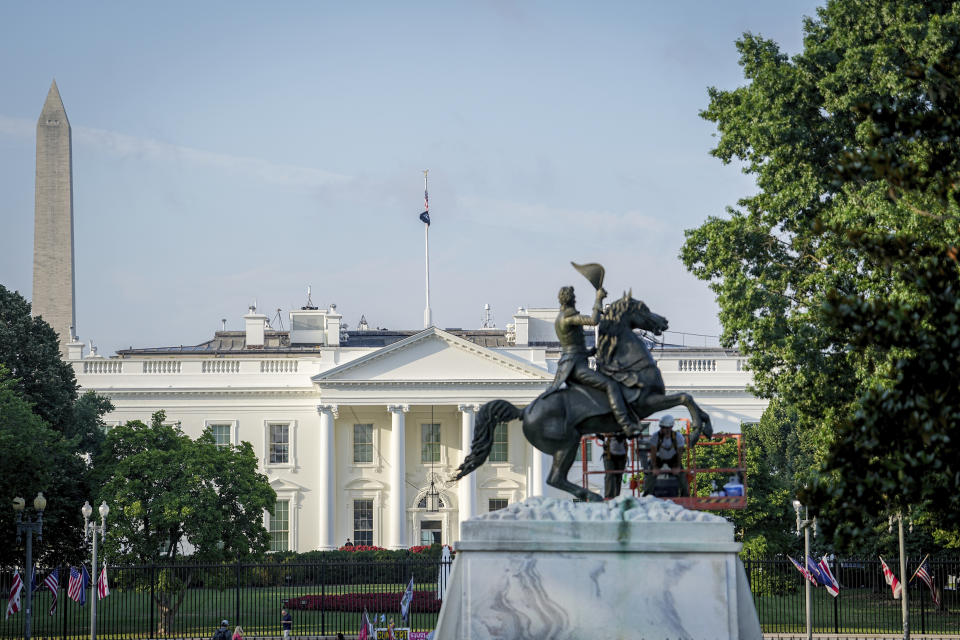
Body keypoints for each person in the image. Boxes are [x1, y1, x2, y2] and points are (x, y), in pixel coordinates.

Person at [546, 285, 640, 437]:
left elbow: (572, 346)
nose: (576, 299)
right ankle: (626, 424)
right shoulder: (567, 318)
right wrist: (598, 298)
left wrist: (591, 351)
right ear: (570, 299)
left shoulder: (562, 317)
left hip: (574, 360)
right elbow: (593, 321)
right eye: (573, 297)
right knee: (611, 385)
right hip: (575, 366)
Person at [643, 415, 689, 497]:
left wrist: (677, 466)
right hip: (659, 458)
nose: (665, 430)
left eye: (668, 428)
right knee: (650, 474)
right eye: (663, 428)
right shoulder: (655, 437)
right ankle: (646, 495)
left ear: (671, 427)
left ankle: (685, 496)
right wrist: (655, 467)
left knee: (682, 475)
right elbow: (653, 453)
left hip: (673, 459)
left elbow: (680, 453)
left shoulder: (678, 437)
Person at [598, 432, 628, 498]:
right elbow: (598, 433)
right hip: (608, 454)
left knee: (618, 476)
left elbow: (630, 434)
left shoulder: (622, 426)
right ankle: (608, 497)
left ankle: (616, 497)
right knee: (609, 475)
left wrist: (618, 435)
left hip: (621, 455)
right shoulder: (607, 425)